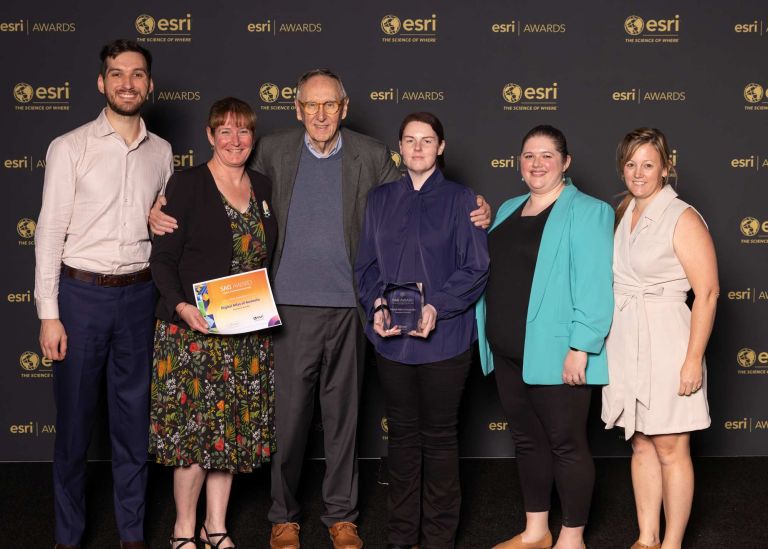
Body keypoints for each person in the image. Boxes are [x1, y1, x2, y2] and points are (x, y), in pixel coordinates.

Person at [149, 68, 491, 549]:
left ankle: (341, 515)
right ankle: (283, 514)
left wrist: (474, 206)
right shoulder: (272, 150)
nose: (321, 114)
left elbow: (419, 194)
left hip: (350, 307)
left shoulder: (372, 155)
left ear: (344, 108)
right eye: (311, 105)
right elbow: (216, 183)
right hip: (285, 307)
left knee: (344, 418)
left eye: (330, 105)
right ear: (298, 110)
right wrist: (159, 204)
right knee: (287, 421)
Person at [34, 40, 172, 549]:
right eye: (117, 75)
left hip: (139, 298)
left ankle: (132, 533)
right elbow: (49, 232)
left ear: (149, 85)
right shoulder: (70, 147)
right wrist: (49, 314)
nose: (127, 84)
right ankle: (68, 537)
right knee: (73, 426)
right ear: (102, 83)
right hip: (80, 296)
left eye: (137, 75)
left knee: (134, 422)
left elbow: (161, 223)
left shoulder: (162, 152)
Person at [475, 125, 614, 549]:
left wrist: (581, 347)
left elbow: (594, 285)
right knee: (527, 442)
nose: (537, 164)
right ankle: (536, 531)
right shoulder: (507, 209)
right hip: (508, 352)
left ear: (565, 162)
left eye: (547, 155)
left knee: (566, 444)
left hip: (559, 354)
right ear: (519, 163)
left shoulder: (590, 211)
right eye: (529, 155)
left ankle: (572, 538)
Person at [355, 112, 489, 549]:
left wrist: (438, 306)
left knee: (440, 438)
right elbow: (366, 266)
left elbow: (476, 267)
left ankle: (437, 538)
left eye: (427, 140)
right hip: (392, 344)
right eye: (410, 140)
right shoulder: (379, 200)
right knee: (403, 438)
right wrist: (376, 304)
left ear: (441, 147)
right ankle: (400, 536)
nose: (417, 148)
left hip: (445, 341)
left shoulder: (462, 198)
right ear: (399, 146)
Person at [149, 97, 277, 549]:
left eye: (242, 131)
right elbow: (162, 260)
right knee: (193, 439)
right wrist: (182, 308)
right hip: (193, 336)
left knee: (229, 437)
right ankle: (184, 527)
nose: (234, 140)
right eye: (224, 131)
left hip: (245, 334)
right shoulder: (186, 185)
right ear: (209, 136)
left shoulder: (262, 186)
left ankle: (215, 525)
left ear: (252, 137)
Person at [601, 128, 718, 549]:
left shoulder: (682, 216)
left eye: (648, 164)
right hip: (627, 339)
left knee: (671, 445)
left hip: (669, 339)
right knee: (641, 442)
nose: (638, 172)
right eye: (631, 164)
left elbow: (706, 292)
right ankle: (646, 537)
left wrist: (692, 360)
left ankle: (671, 543)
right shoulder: (623, 211)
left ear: (666, 168)